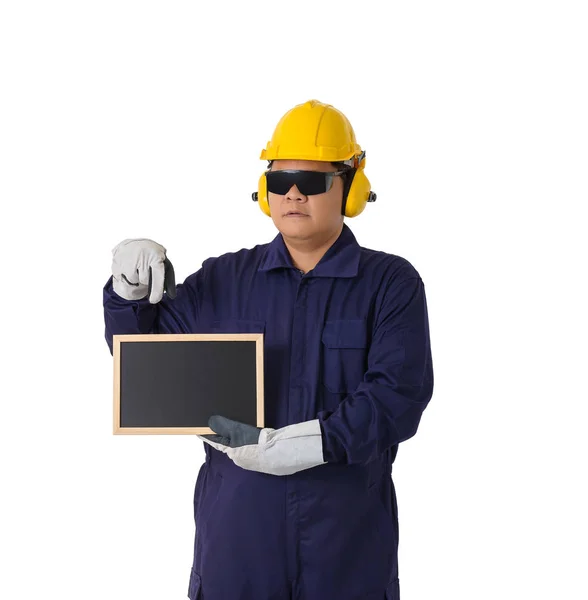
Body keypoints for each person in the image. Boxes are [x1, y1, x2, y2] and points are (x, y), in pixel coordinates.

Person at [103, 99, 434, 600]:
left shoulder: (390, 283)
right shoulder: (223, 279)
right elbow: (146, 365)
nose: (294, 194)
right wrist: (127, 292)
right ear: (264, 191)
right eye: (280, 181)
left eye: (313, 180)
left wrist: (311, 444)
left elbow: (398, 396)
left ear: (349, 186)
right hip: (237, 537)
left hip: (345, 541)